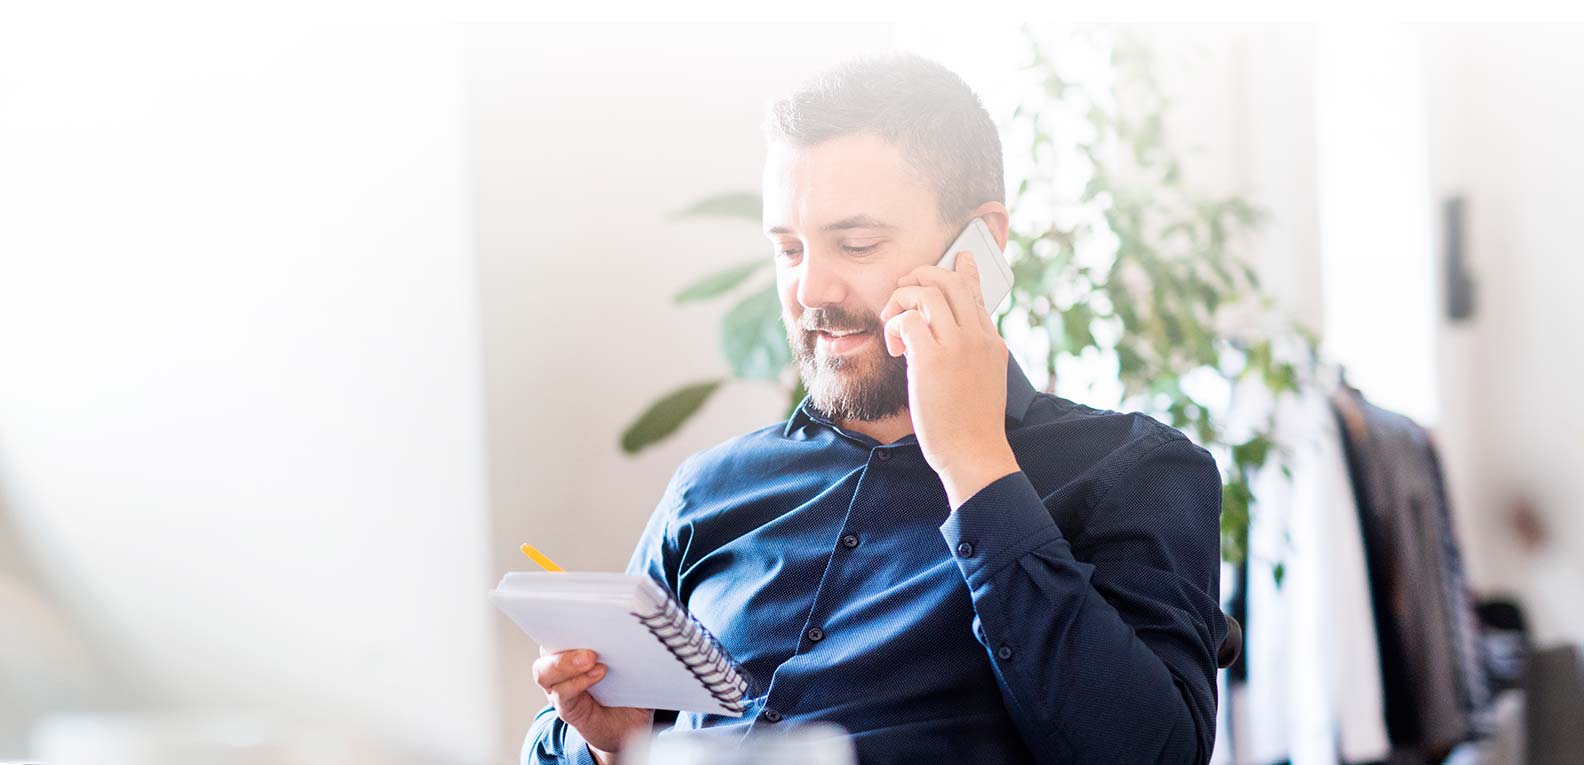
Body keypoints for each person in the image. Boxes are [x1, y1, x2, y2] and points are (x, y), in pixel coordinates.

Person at [524, 53, 1225, 764]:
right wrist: (617, 749)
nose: (810, 289)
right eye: (789, 249)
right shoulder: (710, 488)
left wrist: (975, 465)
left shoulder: (1132, 470)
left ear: (979, 248)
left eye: (855, 243)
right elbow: (561, 745)